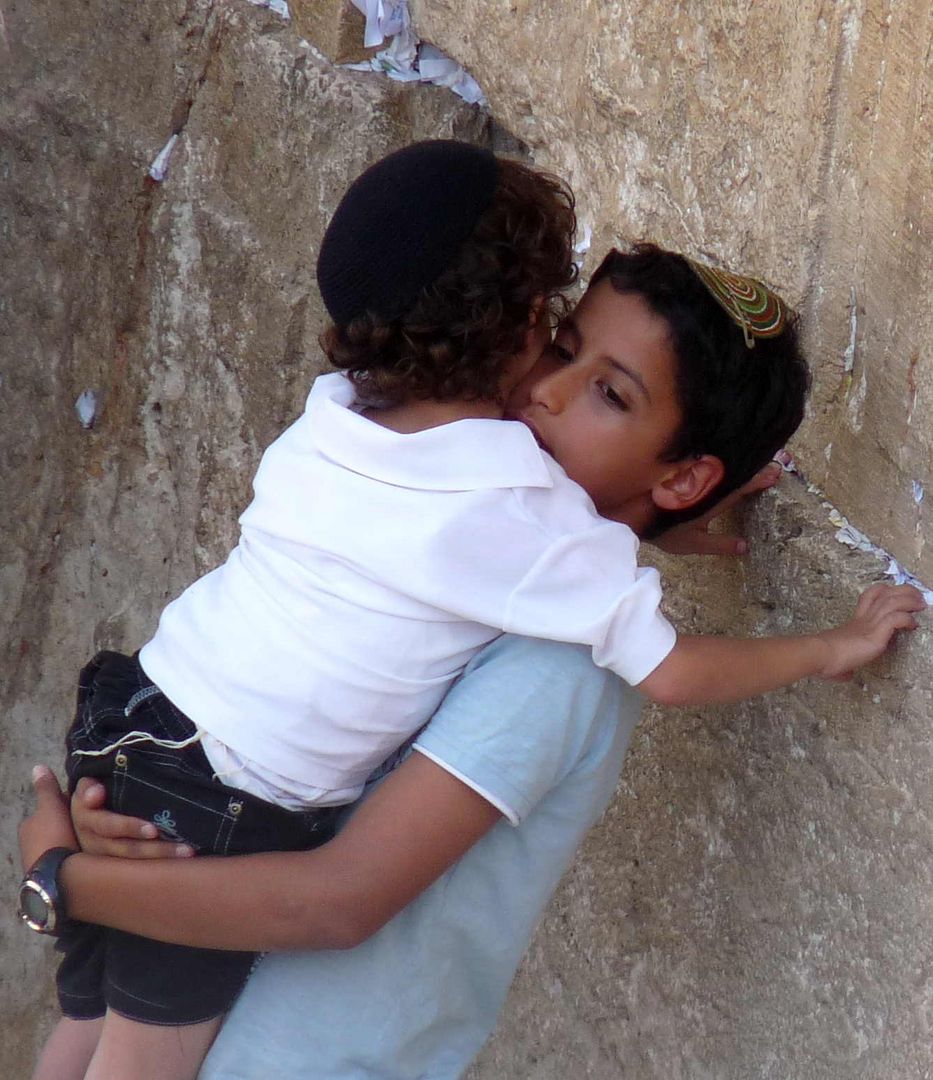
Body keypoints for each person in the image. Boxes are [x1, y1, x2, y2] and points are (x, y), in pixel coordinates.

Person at [19, 143, 925, 1077]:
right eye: (560, 347)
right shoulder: (532, 553)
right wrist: (698, 543)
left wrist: (66, 882)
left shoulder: (552, 646)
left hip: (156, 768)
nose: (542, 389)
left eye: (608, 394)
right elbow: (519, 535)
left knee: (90, 1039)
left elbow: (341, 894)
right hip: (222, 906)